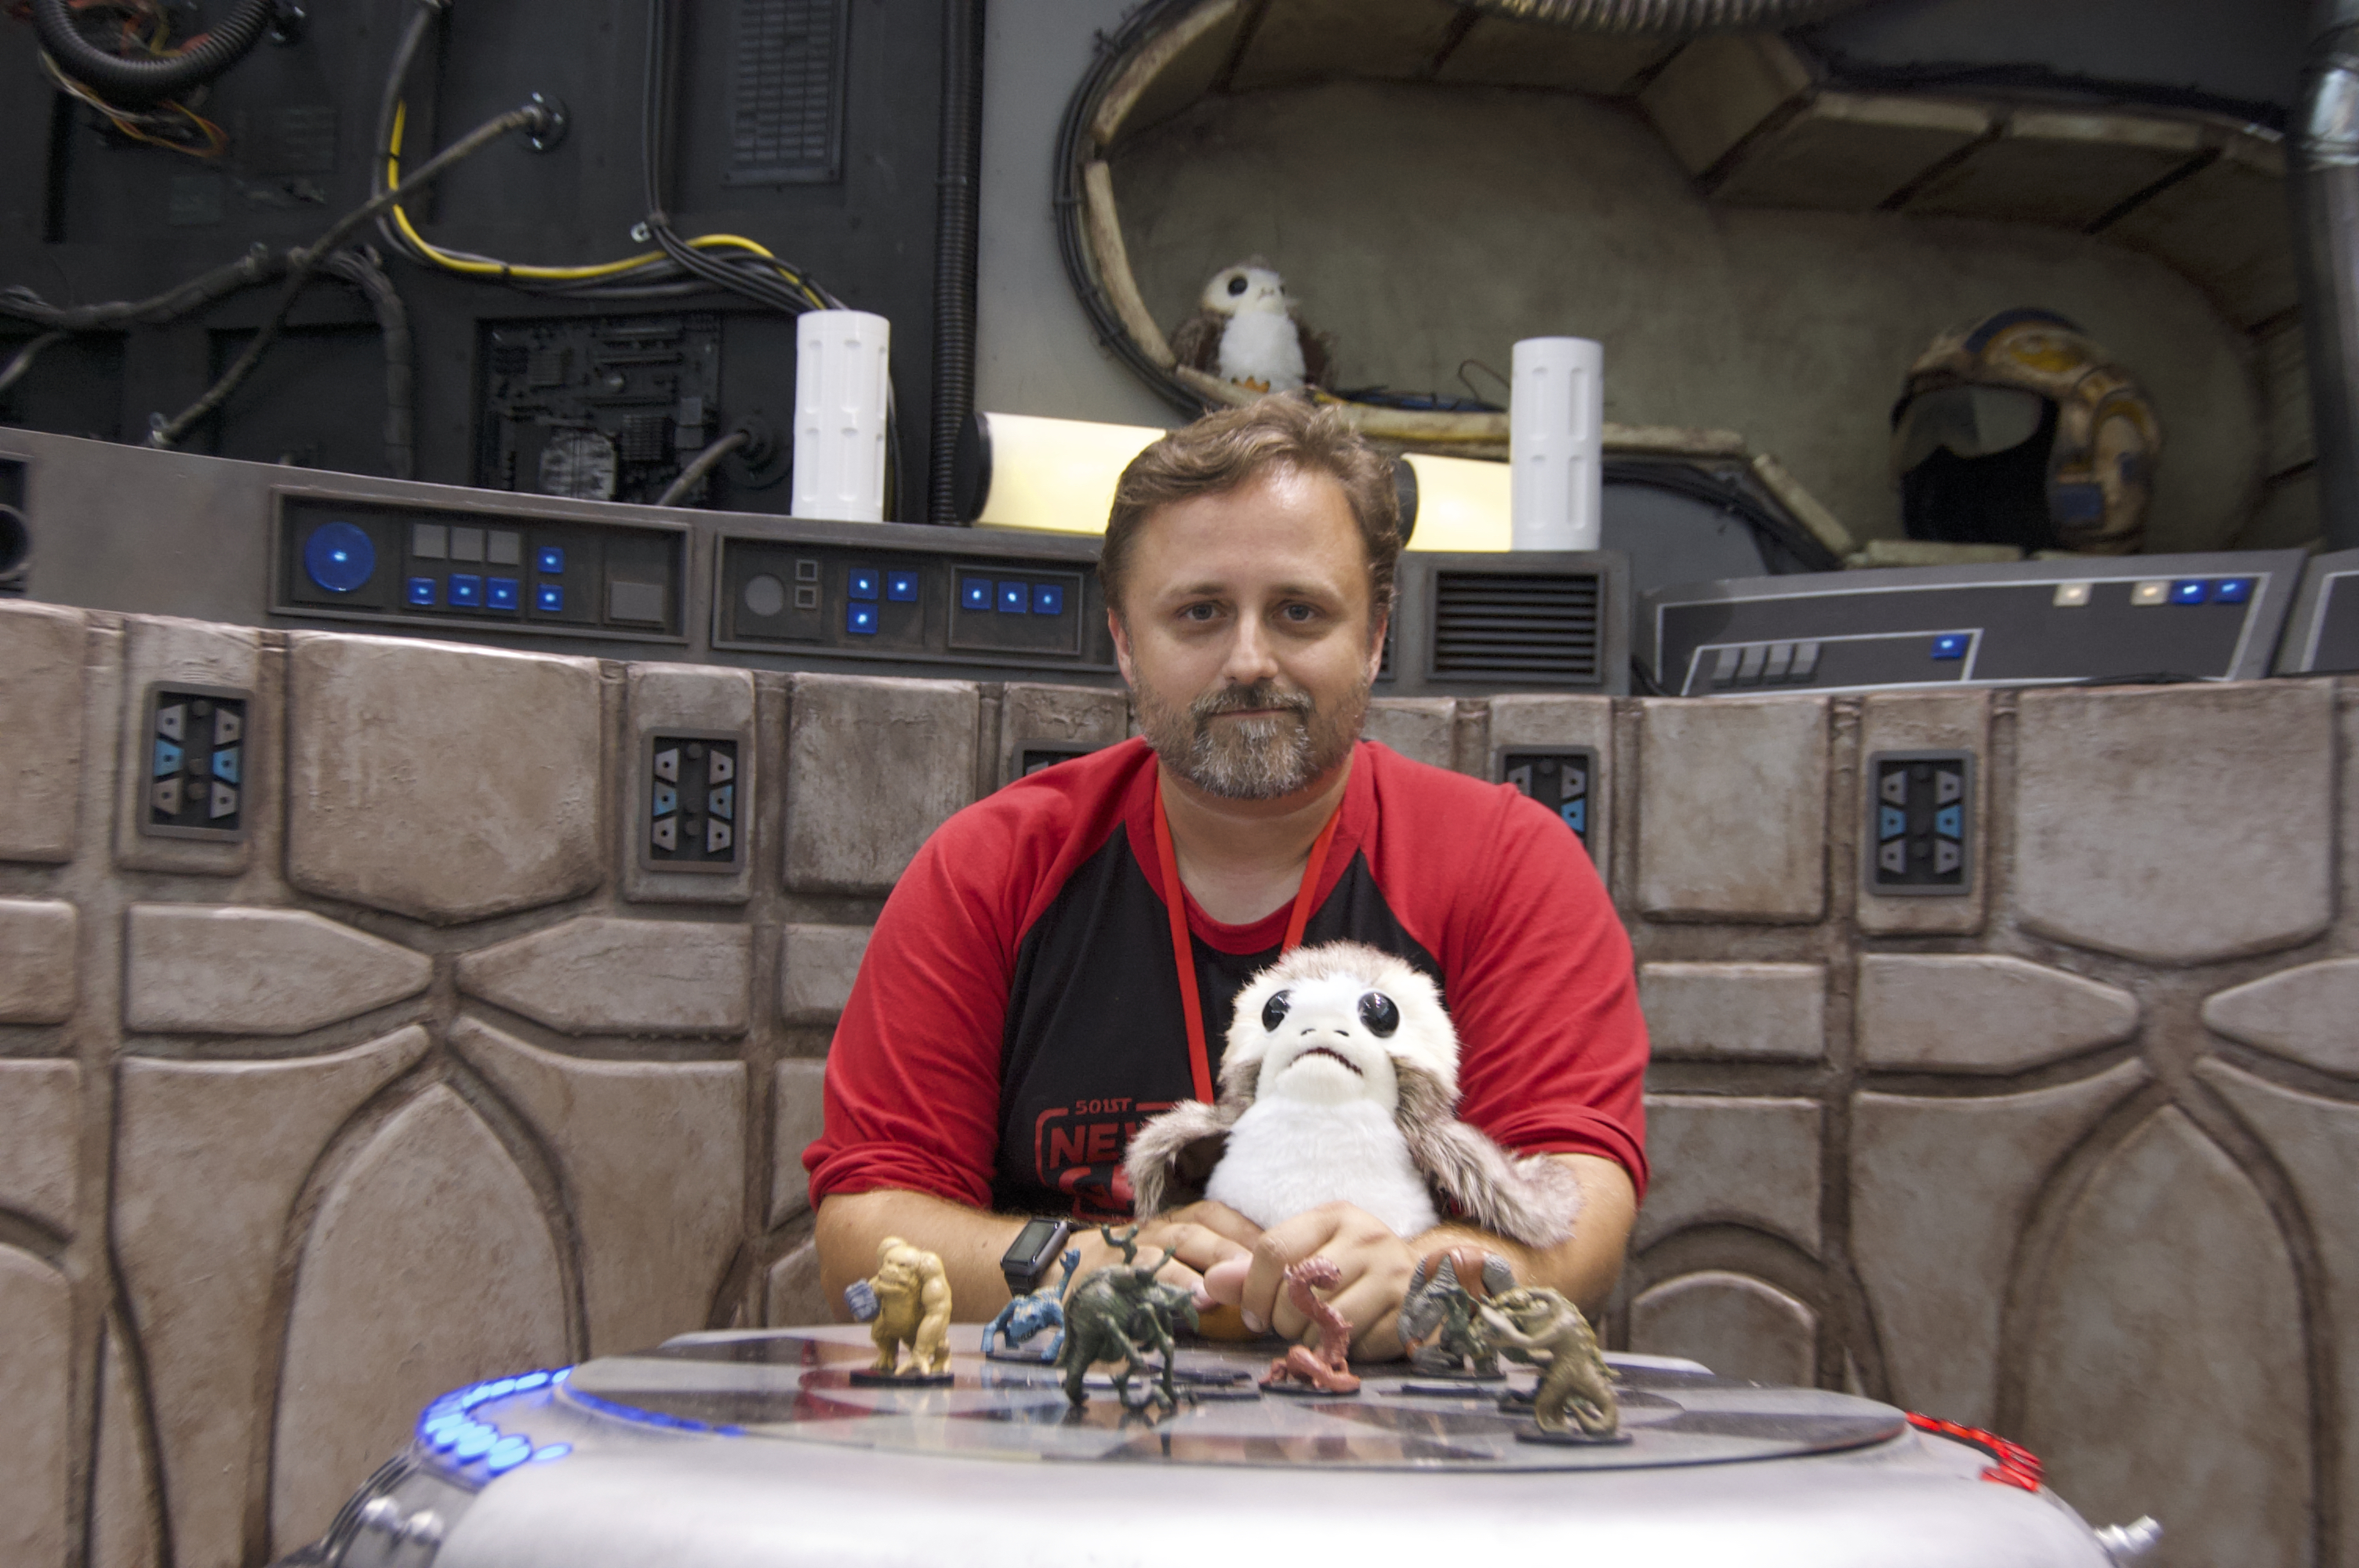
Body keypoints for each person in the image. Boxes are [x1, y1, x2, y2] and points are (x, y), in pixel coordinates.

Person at [805, 397, 1647, 1357]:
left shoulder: (1506, 860)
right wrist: (1078, 1260)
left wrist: (1425, 1273)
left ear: (1373, 635)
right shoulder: (989, 868)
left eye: (1298, 611)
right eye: (1199, 612)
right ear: (1123, 639)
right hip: (1057, 1449)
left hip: (1405, 1458)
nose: (1248, 660)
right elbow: (859, 1233)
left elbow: (1584, 1208)